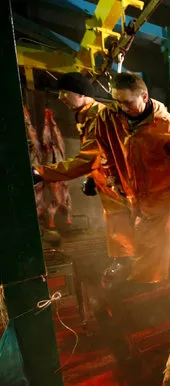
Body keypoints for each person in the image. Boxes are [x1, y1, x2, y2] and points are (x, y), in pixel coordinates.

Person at [32, 72, 134, 285]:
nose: (60, 98)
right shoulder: (87, 115)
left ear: (80, 94)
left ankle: (139, 273)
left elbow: (87, 158)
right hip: (113, 185)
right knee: (120, 223)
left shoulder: (99, 116)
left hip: (124, 184)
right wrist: (92, 176)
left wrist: (42, 172)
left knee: (133, 225)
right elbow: (98, 153)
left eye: (64, 93)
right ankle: (127, 265)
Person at [96, 72, 170, 284]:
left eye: (127, 102)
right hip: (133, 193)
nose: (121, 107)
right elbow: (105, 150)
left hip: (162, 194)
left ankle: (146, 286)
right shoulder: (108, 117)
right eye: (117, 101)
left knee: (149, 243)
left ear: (144, 97)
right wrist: (113, 178)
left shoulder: (166, 125)